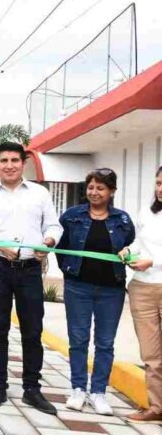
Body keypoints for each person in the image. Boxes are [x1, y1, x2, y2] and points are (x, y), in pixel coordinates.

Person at [0, 142, 62, 414]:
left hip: (30, 269)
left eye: (15, 160)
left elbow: (53, 225)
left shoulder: (39, 193)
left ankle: (32, 389)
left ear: (23, 163)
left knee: (33, 330)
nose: (9, 165)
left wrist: (47, 242)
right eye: (4, 160)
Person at [55, 168, 134, 415]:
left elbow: (131, 246)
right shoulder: (71, 216)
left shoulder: (122, 220)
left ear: (111, 192)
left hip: (112, 290)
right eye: (91, 187)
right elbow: (62, 247)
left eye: (100, 188)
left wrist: (128, 253)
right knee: (78, 340)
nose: (94, 192)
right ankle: (78, 389)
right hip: (78, 288)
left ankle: (99, 392)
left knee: (105, 342)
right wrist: (69, 271)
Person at [119, 165, 162, 424]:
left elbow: (153, 255)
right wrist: (127, 249)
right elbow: (140, 242)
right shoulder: (147, 212)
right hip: (142, 289)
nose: (160, 189)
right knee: (151, 355)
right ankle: (156, 407)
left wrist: (153, 262)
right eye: (158, 183)